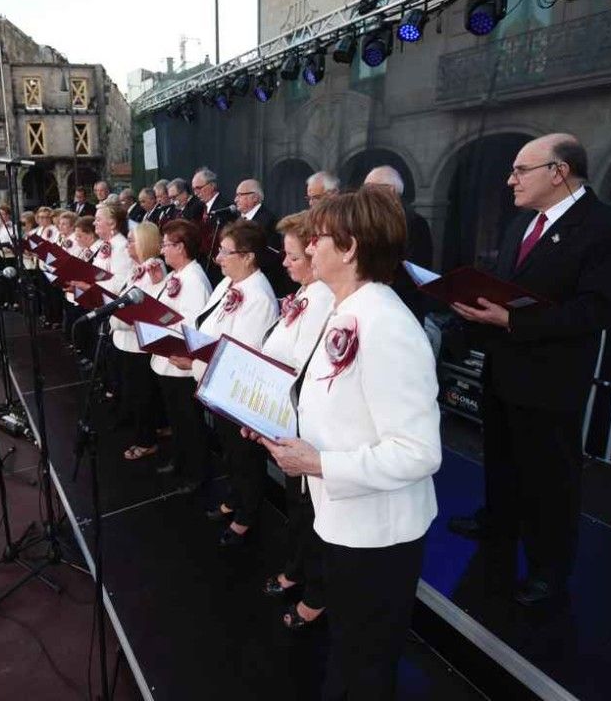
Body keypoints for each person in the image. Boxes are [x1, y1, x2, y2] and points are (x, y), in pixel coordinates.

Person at [250, 186, 442, 698]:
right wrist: (275, 425)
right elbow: (334, 409)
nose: (308, 250)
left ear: (351, 247)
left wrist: (320, 463)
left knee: (364, 663)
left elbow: (419, 451)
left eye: (318, 240)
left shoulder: (387, 325)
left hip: (379, 535)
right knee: (350, 652)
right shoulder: (350, 310)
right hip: (345, 521)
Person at [448, 133, 611, 606]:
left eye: (520, 170)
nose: (509, 180)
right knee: (501, 458)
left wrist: (512, 319)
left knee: (550, 480)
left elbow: (597, 309)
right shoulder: (521, 226)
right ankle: (497, 522)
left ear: (559, 172)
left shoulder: (605, 226)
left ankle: (549, 571)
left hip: (551, 380)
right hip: (503, 368)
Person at [175, 220, 277, 547]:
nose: (218, 257)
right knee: (230, 453)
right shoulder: (226, 284)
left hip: (236, 391)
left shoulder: (259, 295)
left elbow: (241, 353)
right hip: (215, 384)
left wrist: (195, 361)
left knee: (244, 456)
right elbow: (203, 323)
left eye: (225, 251)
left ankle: (247, 515)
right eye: (219, 250)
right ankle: (235, 498)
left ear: (248, 257)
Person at [258, 212, 336, 631]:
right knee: (297, 507)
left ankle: (317, 593)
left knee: (311, 511)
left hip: (308, 427)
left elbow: (302, 367)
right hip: (287, 419)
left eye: (292, 255)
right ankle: (298, 569)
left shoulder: (324, 298)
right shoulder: (307, 292)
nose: (285, 263)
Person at [149, 219, 213, 489]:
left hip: (182, 364)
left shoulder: (196, 279)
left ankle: (196, 473)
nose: (162, 250)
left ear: (181, 247)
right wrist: (158, 283)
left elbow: (193, 326)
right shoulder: (175, 275)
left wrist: (163, 323)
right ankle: (180, 459)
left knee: (190, 422)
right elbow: (163, 306)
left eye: (166, 245)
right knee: (176, 418)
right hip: (167, 360)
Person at [111, 223, 168, 461]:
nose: (128, 245)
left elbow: (150, 310)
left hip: (139, 344)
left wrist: (117, 317)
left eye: (132, 240)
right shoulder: (137, 268)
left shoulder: (155, 269)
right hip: (126, 341)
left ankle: (146, 441)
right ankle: (147, 429)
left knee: (142, 394)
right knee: (136, 392)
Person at [364, 166, 433, 323]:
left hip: (400, 311)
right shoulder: (369, 220)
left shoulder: (414, 223)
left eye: (369, 188)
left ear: (391, 190)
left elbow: (412, 272)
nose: (364, 195)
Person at [235, 178, 291, 296]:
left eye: (240, 195)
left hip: (262, 284)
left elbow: (271, 256)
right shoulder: (239, 220)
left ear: (254, 197)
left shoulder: (268, 221)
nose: (236, 200)